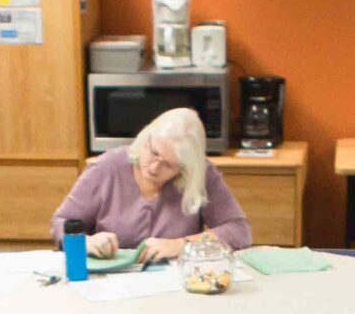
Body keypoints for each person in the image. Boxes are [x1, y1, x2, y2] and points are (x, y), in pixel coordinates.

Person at [48, 106, 252, 260]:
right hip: (109, 284)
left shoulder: (201, 174)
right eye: (153, 152)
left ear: (184, 169)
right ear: (146, 138)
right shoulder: (106, 167)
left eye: (169, 165)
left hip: (175, 285)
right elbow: (60, 223)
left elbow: (239, 230)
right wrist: (87, 242)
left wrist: (182, 245)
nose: (154, 168)